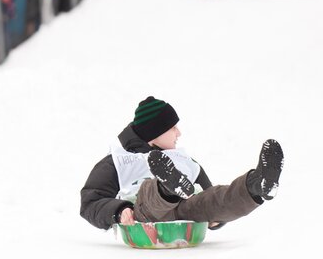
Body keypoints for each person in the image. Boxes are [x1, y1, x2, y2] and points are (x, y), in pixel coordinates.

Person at [80, 97, 284, 230]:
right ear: (154, 133)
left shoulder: (183, 160)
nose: (179, 133)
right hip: (143, 219)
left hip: (182, 216)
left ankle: (256, 185)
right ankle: (167, 187)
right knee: (150, 196)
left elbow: (208, 194)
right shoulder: (119, 160)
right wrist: (119, 210)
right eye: (172, 128)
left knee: (210, 200)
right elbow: (90, 203)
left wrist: (215, 218)